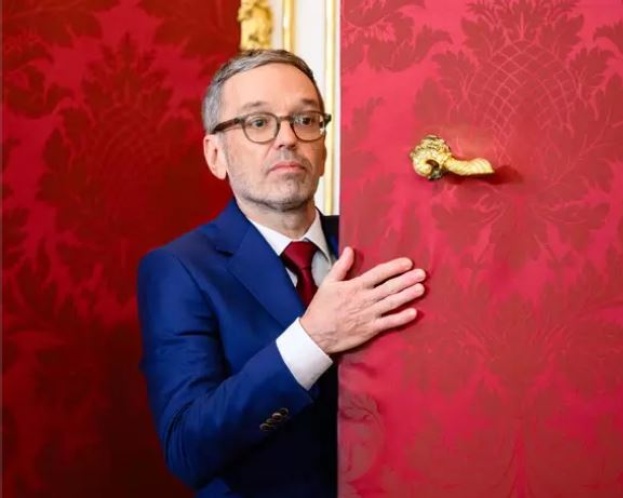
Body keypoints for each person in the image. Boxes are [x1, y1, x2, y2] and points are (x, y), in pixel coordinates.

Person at [136, 49, 427, 498]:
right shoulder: (179, 270)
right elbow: (188, 448)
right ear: (216, 155)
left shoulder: (380, 245)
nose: (287, 138)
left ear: (323, 148)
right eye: (258, 123)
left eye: (305, 120)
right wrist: (313, 340)